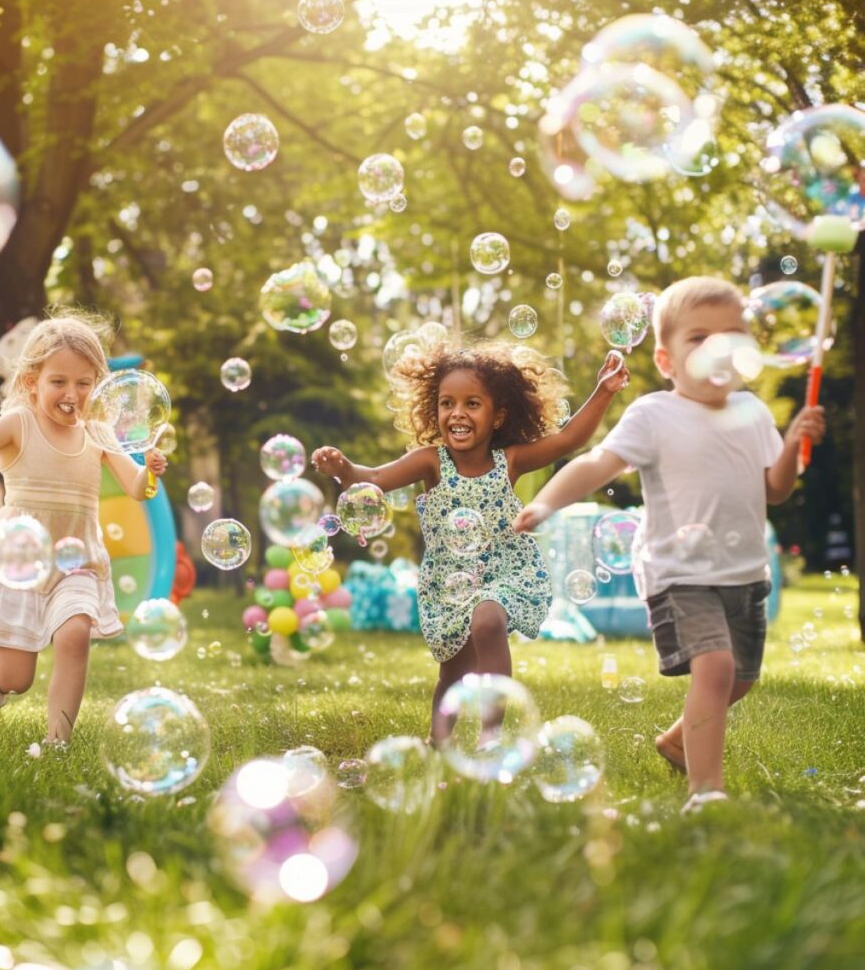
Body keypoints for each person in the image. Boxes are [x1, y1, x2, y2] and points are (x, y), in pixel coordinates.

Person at [513, 277, 826, 813]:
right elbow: (597, 463)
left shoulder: (752, 414)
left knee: (742, 679)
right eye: (699, 338)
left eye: (732, 337)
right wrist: (547, 502)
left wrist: (795, 442)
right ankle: (706, 792)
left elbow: (775, 489)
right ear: (666, 360)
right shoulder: (654, 415)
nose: (717, 350)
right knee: (717, 668)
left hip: (745, 572)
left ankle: (680, 739)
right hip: (679, 572)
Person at [312, 339, 629, 743]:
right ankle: (438, 740)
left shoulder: (509, 460)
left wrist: (603, 390)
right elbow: (372, 479)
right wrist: (344, 468)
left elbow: (568, 441)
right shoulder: (431, 461)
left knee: (488, 618)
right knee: (452, 671)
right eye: (447, 403)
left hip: (506, 570)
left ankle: (490, 734)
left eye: (472, 404)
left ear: (497, 416)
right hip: (450, 579)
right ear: (435, 409)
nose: (457, 413)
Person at [0, 311, 168, 745]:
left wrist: (148, 470)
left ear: (98, 384)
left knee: (75, 634)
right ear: (31, 381)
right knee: (17, 681)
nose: (72, 393)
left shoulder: (99, 432)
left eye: (84, 382)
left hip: (77, 561)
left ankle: (59, 743)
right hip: (20, 559)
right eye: (59, 381)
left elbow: (135, 487)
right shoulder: (19, 423)